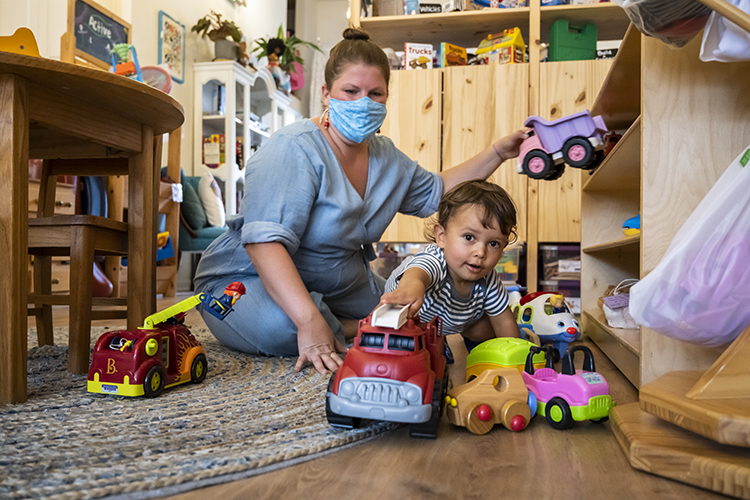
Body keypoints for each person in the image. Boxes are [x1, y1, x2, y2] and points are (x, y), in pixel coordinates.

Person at [193, 28, 527, 375]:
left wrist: (498, 152)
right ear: (326, 94)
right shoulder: (292, 148)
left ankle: (343, 322)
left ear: (385, 98)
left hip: (338, 281)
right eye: (350, 91)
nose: (363, 103)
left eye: (375, 93)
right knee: (285, 328)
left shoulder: (387, 157)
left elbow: (439, 190)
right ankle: (334, 320)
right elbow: (264, 244)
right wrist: (308, 318)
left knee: (412, 307)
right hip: (244, 277)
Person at [380, 180, 522, 355]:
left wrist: (518, 358)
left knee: (487, 328)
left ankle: (470, 345)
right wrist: (411, 288)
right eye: (469, 237)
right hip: (411, 317)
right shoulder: (436, 259)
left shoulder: (488, 279)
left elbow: (504, 322)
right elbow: (418, 272)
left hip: (452, 321)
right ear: (442, 236)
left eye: (493, 243)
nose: (481, 252)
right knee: (403, 344)